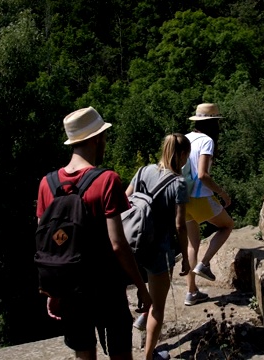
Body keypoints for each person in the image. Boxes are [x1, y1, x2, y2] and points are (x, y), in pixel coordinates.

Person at [36, 106, 152, 360]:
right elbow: (118, 244)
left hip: (69, 289)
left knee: (83, 355)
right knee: (121, 354)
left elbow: (47, 244)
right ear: (97, 138)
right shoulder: (107, 180)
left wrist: (52, 291)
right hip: (106, 288)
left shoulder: (48, 183)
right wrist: (141, 288)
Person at [125, 133, 192, 360]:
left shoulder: (143, 171)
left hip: (134, 243)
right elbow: (180, 225)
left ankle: (142, 316)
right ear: (182, 154)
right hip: (159, 251)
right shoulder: (179, 183)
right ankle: (149, 356)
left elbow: (125, 199)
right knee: (158, 307)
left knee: (148, 295)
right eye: (186, 157)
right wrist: (186, 256)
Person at [184, 103, 234, 306]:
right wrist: (222, 193)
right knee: (227, 225)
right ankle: (204, 264)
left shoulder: (186, 138)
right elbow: (203, 175)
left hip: (181, 198)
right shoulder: (207, 142)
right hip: (199, 197)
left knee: (191, 244)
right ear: (214, 123)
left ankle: (191, 292)